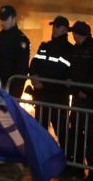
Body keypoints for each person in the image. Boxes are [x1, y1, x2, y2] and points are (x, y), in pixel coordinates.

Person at [66, 21, 93, 181]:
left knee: (90, 136)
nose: (73, 36)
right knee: (76, 133)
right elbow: (73, 69)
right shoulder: (75, 49)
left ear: (80, 33)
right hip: (77, 98)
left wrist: (87, 91)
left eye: (74, 33)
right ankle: (77, 167)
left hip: (90, 100)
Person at [29, 16, 74, 166]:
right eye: (54, 26)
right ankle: (39, 158)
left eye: (58, 26)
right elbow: (34, 64)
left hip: (57, 97)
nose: (54, 29)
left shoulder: (70, 50)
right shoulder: (45, 46)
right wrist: (34, 77)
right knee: (40, 129)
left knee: (62, 131)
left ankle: (67, 161)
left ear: (65, 30)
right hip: (42, 96)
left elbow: (65, 73)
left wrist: (45, 84)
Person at [0, 5, 30, 98]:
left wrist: (16, 87)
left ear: (14, 19)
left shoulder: (21, 40)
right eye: (1, 19)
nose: (3, 22)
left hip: (13, 87)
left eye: (5, 19)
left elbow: (22, 67)